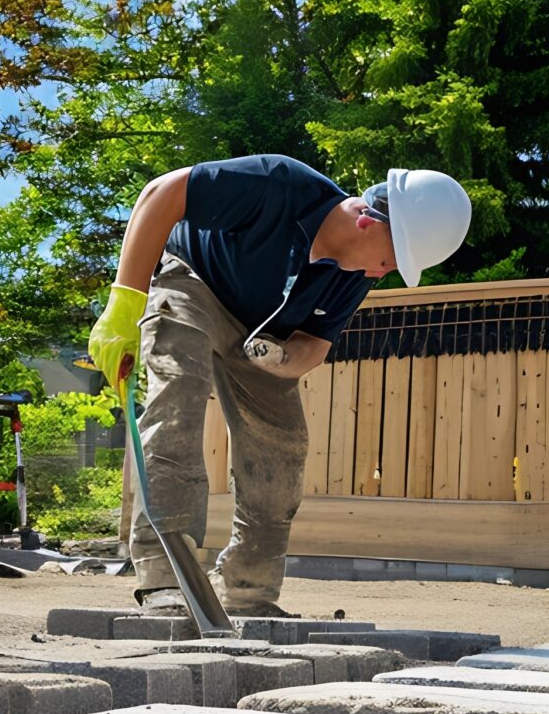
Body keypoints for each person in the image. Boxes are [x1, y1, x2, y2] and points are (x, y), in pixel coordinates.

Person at [88, 156, 470, 617]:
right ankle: (167, 580)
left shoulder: (351, 276)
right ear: (368, 222)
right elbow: (163, 193)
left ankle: (247, 594)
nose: (380, 274)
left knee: (282, 447)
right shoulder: (278, 185)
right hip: (193, 282)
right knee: (179, 399)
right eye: (390, 261)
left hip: (263, 335)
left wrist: (283, 360)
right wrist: (125, 302)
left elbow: (314, 344)